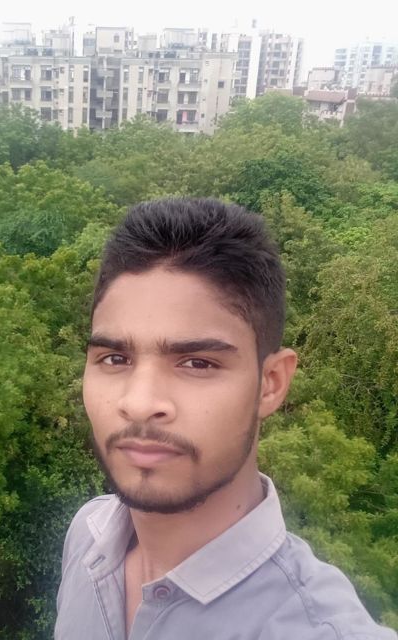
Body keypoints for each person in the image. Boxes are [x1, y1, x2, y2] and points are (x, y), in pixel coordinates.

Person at [54, 198, 397, 640]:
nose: (139, 403)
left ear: (271, 383)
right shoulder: (88, 536)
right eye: (115, 358)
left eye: (197, 363)